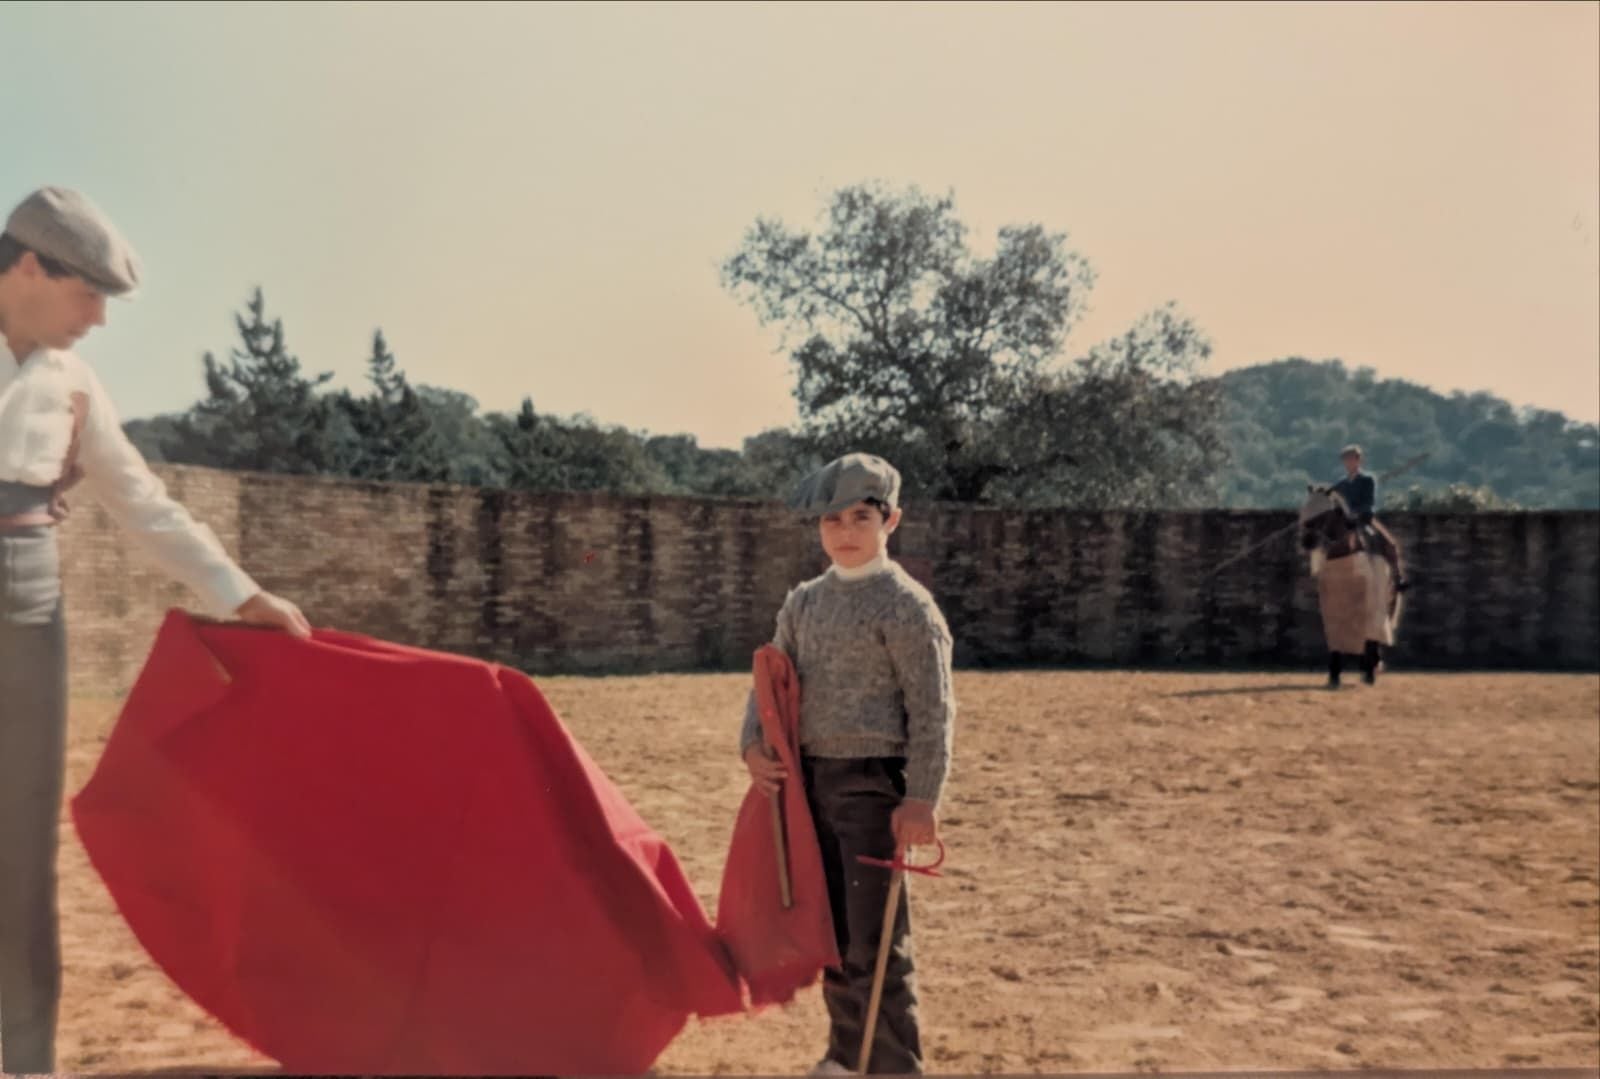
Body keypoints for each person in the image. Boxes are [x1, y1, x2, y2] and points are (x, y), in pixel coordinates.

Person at [0, 186, 310, 1074]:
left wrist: (241, 592)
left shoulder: (73, 383)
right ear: (28, 265)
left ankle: (26, 1061)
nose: (98, 317)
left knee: (20, 847)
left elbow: (142, 503)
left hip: (28, 607)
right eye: (86, 293)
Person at [739, 452, 956, 1076]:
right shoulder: (803, 604)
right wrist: (753, 745)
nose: (845, 532)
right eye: (832, 520)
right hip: (808, 787)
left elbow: (933, 711)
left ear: (892, 521)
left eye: (861, 516)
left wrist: (922, 799)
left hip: (873, 788)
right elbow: (769, 681)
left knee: (876, 942)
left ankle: (891, 1066)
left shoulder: (908, 607)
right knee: (830, 935)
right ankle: (844, 1056)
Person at [1328, 443, 1407, 591]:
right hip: (1345, 522)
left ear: (1359, 460)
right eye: (1346, 459)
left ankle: (1397, 578)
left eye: (1352, 459)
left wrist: (1356, 512)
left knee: (1390, 544)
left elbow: (1369, 502)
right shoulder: (1340, 484)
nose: (1349, 462)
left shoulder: (1368, 480)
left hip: (1364, 519)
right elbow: (1333, 502)